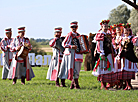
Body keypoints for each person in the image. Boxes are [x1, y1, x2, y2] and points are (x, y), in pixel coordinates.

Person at [58, 21, 83, 89]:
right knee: (67, 68)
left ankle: (74, 84)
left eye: (75, 27)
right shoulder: (69, 35)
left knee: (76, 69)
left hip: (76, 54)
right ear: (70, 27)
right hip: (69, 54)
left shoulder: (79, 35)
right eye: (72, 27)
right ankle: (67, 83)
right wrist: (71, 46)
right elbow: (63, 44)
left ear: (77, 27)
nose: (74, 28)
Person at [92, 20, 116, 90]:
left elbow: (111, 44)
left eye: (106, 26)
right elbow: (100, 45)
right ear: (101, 27)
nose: (105, 28)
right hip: (104, 54)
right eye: (104, 26)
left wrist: (114, 51)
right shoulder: (100, 34)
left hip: (109, 53)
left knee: (109, 68)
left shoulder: (108, 34)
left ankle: (108, 84)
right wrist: (101, 53)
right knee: (103, 68)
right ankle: (103, 85)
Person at [119, 24, 137, 90]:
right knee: (124, 70)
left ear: (129, 31)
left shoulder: (132, 38)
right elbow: (120, 48)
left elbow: (136, 44)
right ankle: (126, 84)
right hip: (123, 56)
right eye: (125, 31)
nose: (126, 32)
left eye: (127, 31)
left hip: (130, 56)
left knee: (129, 69)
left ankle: (129, 84)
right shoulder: (122, 39)